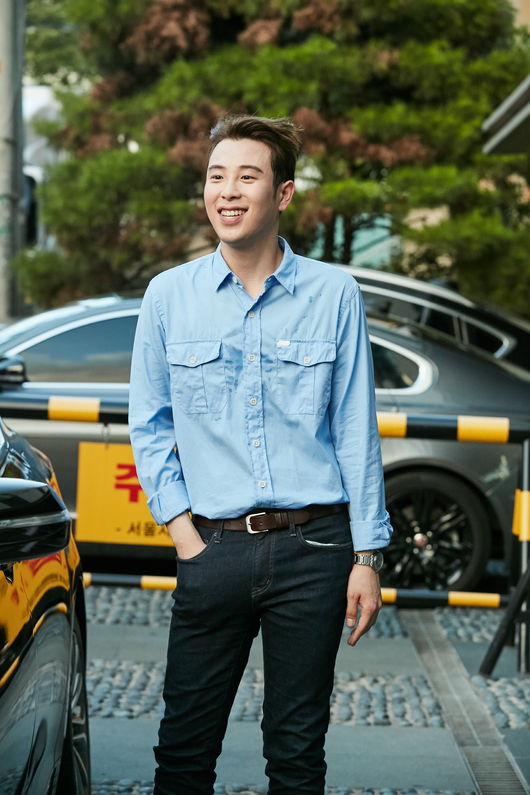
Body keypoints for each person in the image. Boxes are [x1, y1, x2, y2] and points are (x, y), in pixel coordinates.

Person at [129, 114, 393, 795]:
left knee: (298, 756)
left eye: (248, 176)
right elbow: (150, 426)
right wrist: (184, 535)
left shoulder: (334, 294)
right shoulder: (168, 296)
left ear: (283, 194)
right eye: (217, 176)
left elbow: (356, 430)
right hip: (211, 547)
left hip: (315, 551)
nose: (228, 191)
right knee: (183, 752)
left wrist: (367, 557)